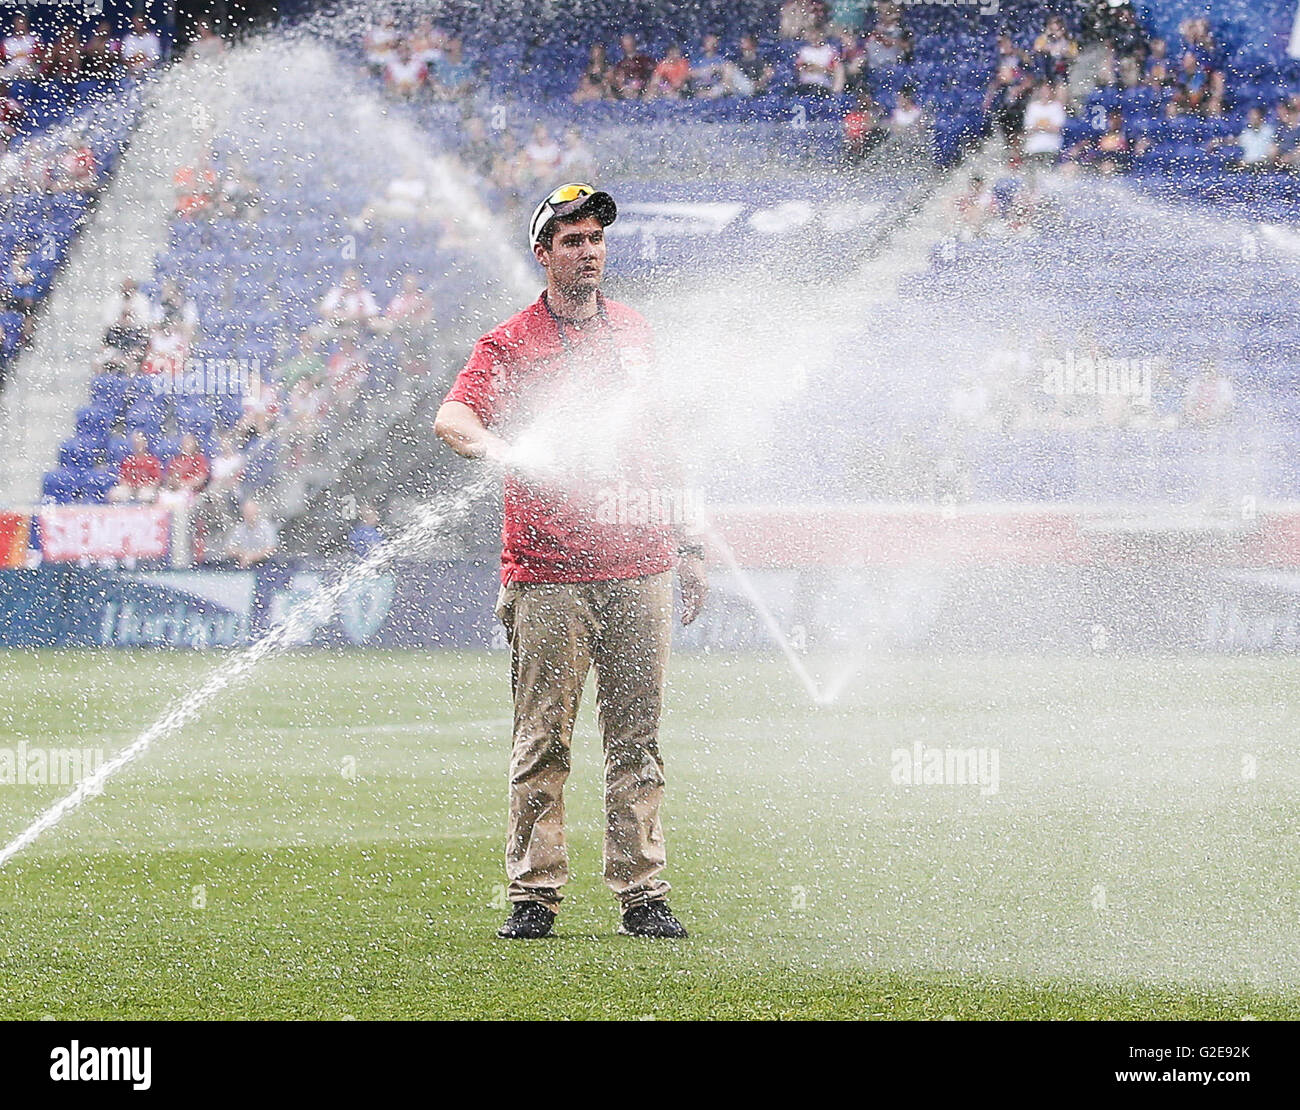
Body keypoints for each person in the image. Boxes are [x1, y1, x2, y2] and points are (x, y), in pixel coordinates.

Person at [434, 182, 709, 941]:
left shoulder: (636, 334)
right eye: (572, 241)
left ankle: (643, 892)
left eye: (596, 239)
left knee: (638, 739)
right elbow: (451, 417)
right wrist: (502, 449)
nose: (588, 252)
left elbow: (663, 441)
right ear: (543, 254)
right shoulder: (508, 342)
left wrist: (688, 543)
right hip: (548, 573)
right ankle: (533, 894)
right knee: (543, 739)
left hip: (642, 563)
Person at [226, 498, 279, 567]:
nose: (249, 516)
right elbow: (229, 548)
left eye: (251, 513)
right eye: (247, 513)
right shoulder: (239, 529)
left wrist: (252, 557)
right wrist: (243, 554)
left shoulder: (266, 528)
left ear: (257, 513)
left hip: (265, 565)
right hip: (242, 563)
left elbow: (271, 549)